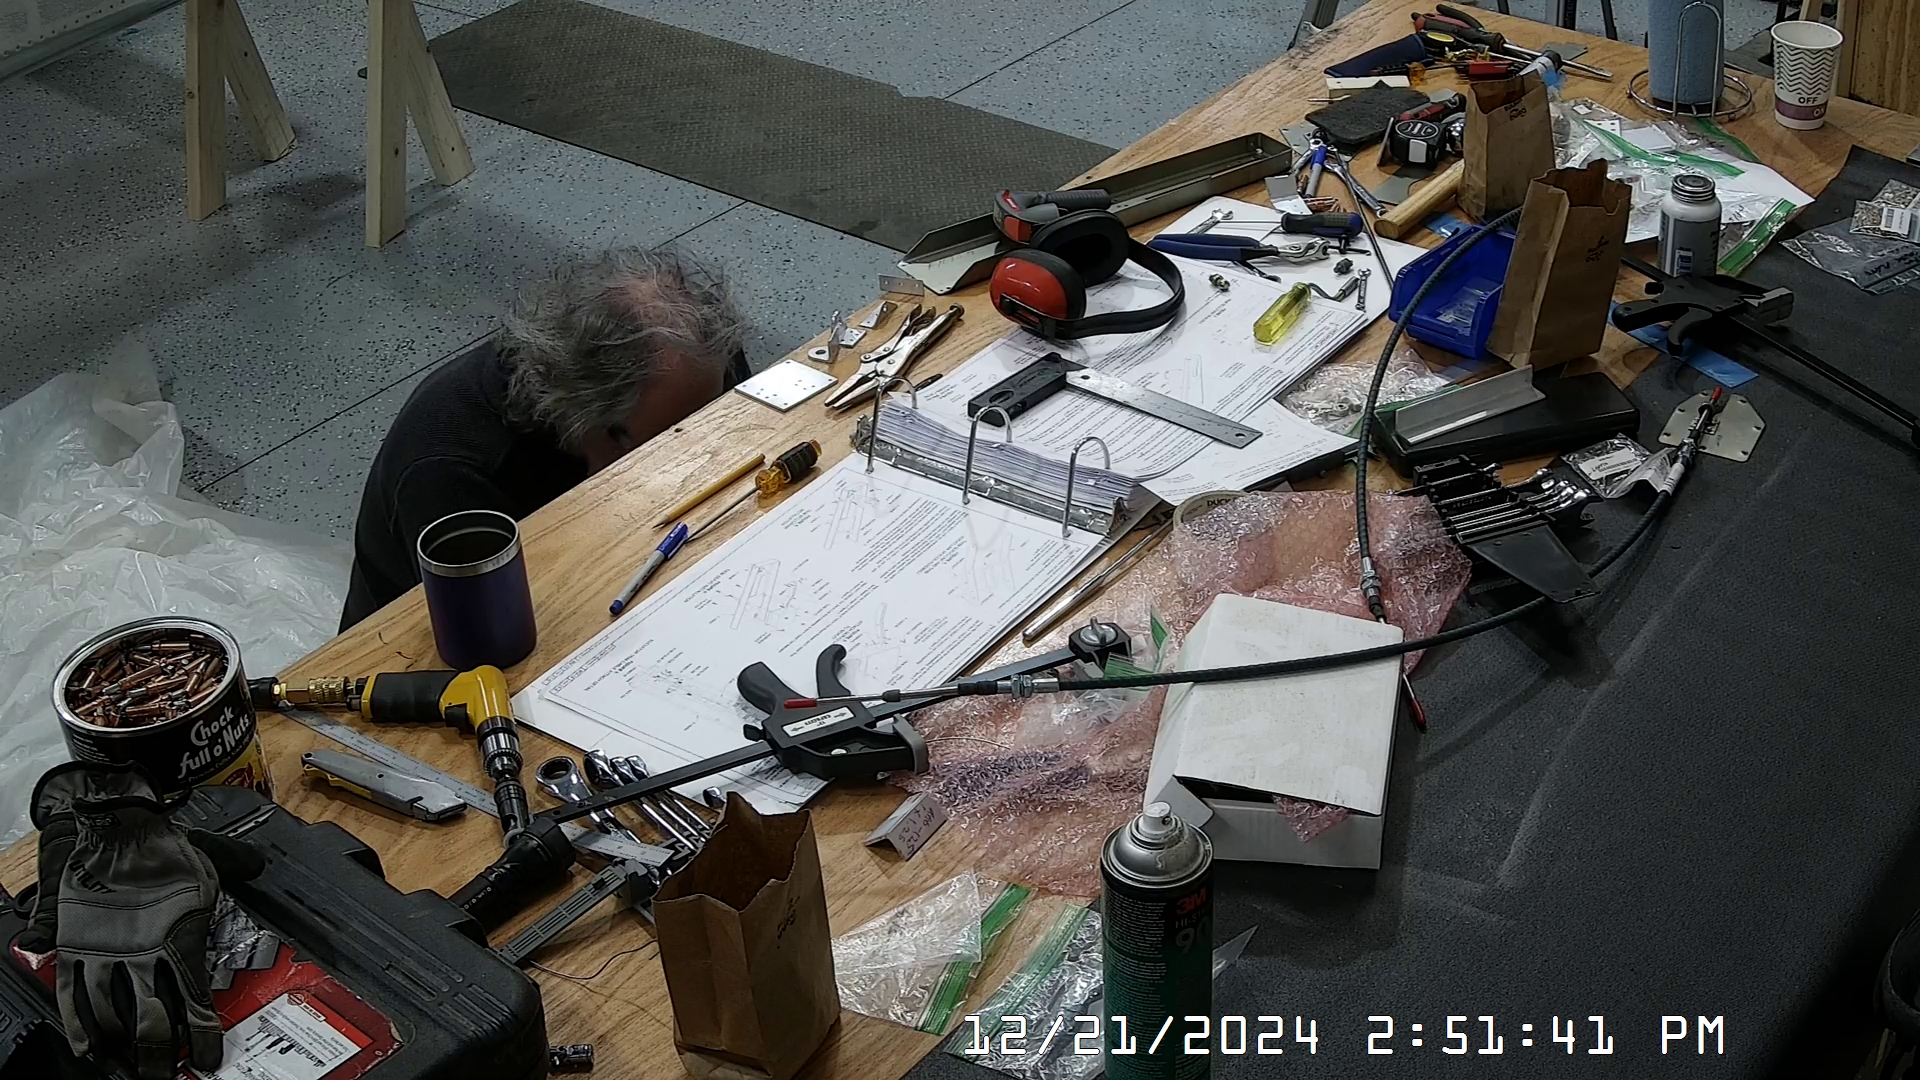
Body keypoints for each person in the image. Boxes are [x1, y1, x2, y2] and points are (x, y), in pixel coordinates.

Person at [340, 247, 749, 629]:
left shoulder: (701, 356)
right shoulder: (453, 475)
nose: (697, 456)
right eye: (670, 444)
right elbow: (491, 637)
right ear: (587, 421)